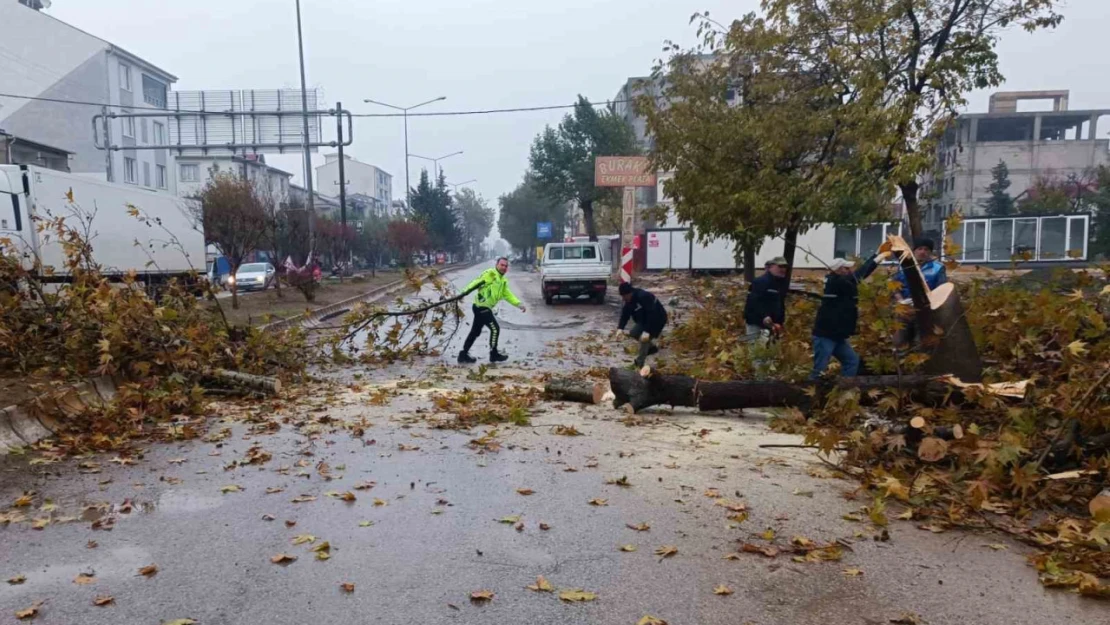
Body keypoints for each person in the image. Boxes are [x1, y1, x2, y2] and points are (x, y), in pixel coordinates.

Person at [810, 253, 883, 379]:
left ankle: (844, 391)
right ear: (836, 270)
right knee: (820, 368)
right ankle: (811, 395)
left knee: (852, 361)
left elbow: (857, 276)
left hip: (838, 335)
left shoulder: (843, 282)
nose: (849, 270)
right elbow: (858, 276)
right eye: (845, 268)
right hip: (825, 335)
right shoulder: (835, 282)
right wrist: (876, 260)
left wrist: (875, 255)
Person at [458, 257, 526, 364]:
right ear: (497, 265)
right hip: (481, 306)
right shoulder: (491, 274)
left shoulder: (502, 281)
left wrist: (519, 304)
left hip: (484, 308)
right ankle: (493, 354)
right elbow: (477, 282)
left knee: (475, 332)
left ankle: (463, 355)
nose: (504, 267)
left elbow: (508, 295)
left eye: (506, 266)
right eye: (502, 265)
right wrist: (464, 292)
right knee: (495, 329)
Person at [892, 238, 947, 349]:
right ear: (914, 251)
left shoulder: (937, 268)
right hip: (905, 308)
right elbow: (894, 286)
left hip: (926, 310)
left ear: (930, 252)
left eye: (926, 249)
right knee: (899, 341)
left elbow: (941, 289)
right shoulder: (903, 265)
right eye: (920, 249)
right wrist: (901, 300)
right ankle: (901, 362)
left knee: (921, 342)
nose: (922, 252)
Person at [617, 282, 668, 367]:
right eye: (622, 296)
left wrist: (647, 331)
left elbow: (651, 313)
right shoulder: (628, 301)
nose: (624, 298)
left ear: (630, 293)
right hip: (643, 320)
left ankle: (639, 363)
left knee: (644, 340)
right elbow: (625, 315)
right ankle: (651, 348)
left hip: (657, 319)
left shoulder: (643, 296)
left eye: (624, 296)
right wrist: (620, 328)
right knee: (633, 333)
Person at [743, 257, 789, 342]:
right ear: (770, 267)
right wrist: (764, 316)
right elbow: (754, 302)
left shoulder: (781, 284)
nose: (783, 269)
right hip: (756, 324)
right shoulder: (760, 282)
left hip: (773, 326)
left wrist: (780, 322)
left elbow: (780, 305)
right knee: (757, 351)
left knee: (771, 352)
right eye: (780, 266)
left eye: (785, 266)